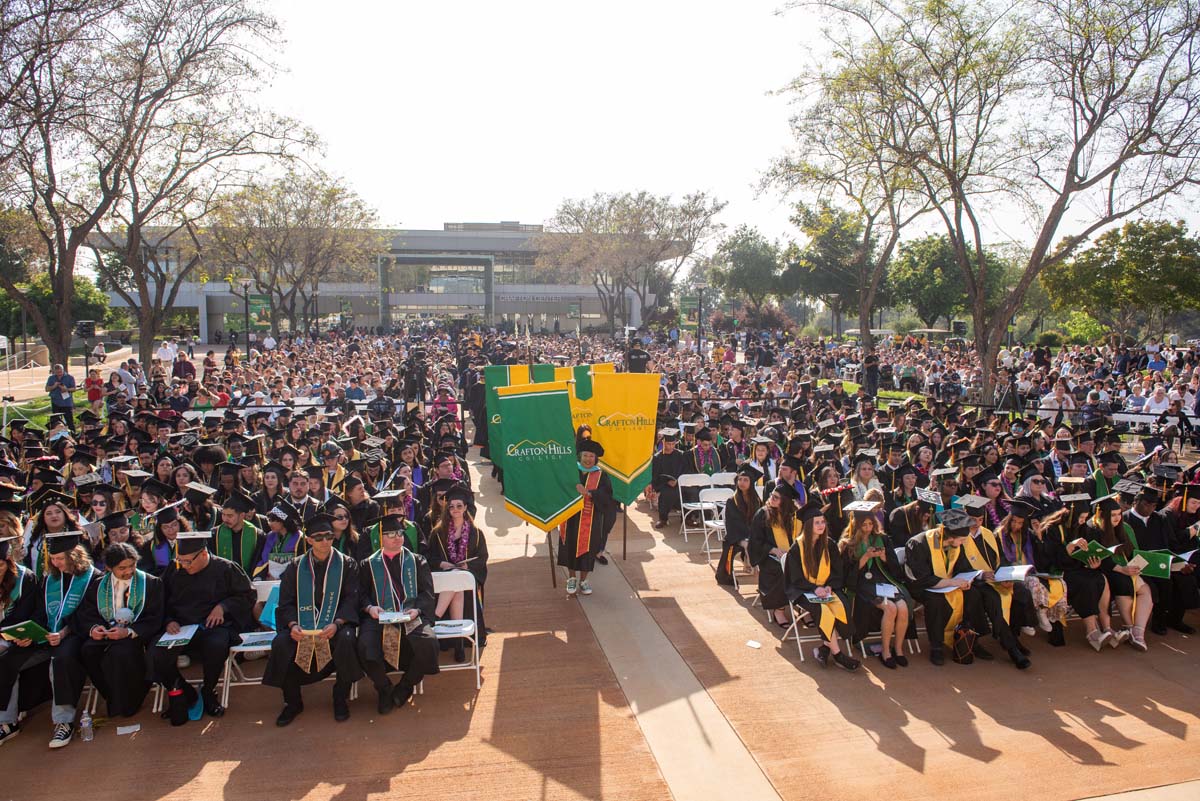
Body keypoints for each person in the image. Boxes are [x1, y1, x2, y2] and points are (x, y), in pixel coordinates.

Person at [264, 513, 362, 727]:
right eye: (318, 537)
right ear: (308, 540)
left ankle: (340, 697)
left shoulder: (347, 564)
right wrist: (292, 625)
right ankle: (292, 702)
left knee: (346, 640)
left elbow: (352, 599)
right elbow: (286, 603)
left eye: (328, 536)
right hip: (302, 627)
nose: (325, 541)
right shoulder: (295, 567)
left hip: (335, 625)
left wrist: (337, 623)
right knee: (281, 643)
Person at [150, 530, 255, 721]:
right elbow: (160, 600)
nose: (183, 565)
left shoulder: (226, 568)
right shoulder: (174, 570)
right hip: (181, 626)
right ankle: (183, 692)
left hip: (213, 626)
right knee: (156, 653)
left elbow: (247, 595)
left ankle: (209, 691)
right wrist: (168, 620)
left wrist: (223, 607)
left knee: (216, 645)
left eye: (188, 561)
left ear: (204, 554)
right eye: (180, 560)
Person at [357, 514, 439, 714]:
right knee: (365, 646)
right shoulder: (368, 564)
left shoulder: (417, 561)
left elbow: (427, 593)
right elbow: (360, 595)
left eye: (400, 533)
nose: (397, 537)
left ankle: (405, 686)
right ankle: (384, 688)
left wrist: (417, 609)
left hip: (410, 615)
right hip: (379, 617)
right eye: (391, 534)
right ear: (381, 538)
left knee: (429, 642)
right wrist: (370, 608)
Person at [75, 541, 164, 718]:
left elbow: (155, 617)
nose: (129, 571)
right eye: (122, 568)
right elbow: (87, 613)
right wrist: (94, 628)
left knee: (121, 652)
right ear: (109, 568)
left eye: (132, 565)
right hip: (107, 634)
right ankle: (112, 697)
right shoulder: (98, 585)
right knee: (88, 650)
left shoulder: (151, 583)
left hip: (136, 636)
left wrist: (129, 631)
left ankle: (129, 703)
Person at [34, 530, 100, 748]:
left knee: (61, 659)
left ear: (74, 555)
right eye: (53, 558)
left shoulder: (92, 577)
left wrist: (63, 632)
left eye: (60, 558)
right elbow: (41, 612)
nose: (56, 563)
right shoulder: (50, 580)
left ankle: (64, 722)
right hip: (50, 634)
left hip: (78, 633)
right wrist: (35, 632)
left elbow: (89, 615)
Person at [784, 503, 860, 671]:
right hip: (803, 590)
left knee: (842, 604)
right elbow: (795, 577)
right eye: (817, 522)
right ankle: (839, 655)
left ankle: (824, 649)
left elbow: (837, 571)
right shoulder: (797, 547)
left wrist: (830, 586)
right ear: (809, 525)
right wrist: (813, 588)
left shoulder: (829, 544)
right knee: (822, 610)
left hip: (826, 589)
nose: (821, 526)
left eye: (822, 522)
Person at [838, 501, 913, 668]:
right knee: (890, 608)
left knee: (902, 607)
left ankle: (898, 649)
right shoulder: (847, 544)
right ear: (856, 525)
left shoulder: (882, 539)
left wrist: (885, 558)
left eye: (870, 524)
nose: (868, 528)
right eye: (864, 524)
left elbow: (895, 570)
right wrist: (864, 558)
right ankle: (886, 651)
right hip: (863, 584)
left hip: (883, 581)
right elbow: (845, 576)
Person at [426, 487, 489, 654]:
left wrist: (468, 566)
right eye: (451, 506)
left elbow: (482, 558)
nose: (455, 510)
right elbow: (430, 557)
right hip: (445, 577)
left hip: (467, 576)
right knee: (456, 583)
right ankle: (459, 641)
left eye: (459, 506)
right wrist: (442, 564)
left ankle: (436, 617)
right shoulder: (438, 533)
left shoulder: (476, 533)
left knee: (459, 581)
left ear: (466, 508)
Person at [556, 440, 617, 596]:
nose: (588, 459)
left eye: (591, 456)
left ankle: (583, 581)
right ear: (579, 456)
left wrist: (590, 493)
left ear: (595, 458)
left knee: (588, 550)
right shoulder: (570, 471)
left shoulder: (601, 475)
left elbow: (608, 497)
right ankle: (571, 578)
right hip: (570, 517)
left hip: (590, 520)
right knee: (569, 546)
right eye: (585, 455)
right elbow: (560, 487)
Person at [0, 524, 41, 746]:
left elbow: (28, 616)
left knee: (4, 662)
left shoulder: (25, 579)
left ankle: (6, 722)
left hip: (23, 638)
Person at [748, 483, 802, 627]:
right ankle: (779, 609)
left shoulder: (794, 516)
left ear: (785, 501)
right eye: (772, 495)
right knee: (782, 570)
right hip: (769, 557)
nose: (772, 498)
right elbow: (755, 541)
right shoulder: (763, 514)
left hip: (792, 555)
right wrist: (774, 550)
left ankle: (803, 608)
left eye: (776, 497)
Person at [715, 464, 762, 586]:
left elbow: (759, 520)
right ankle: (752, 566)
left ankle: (762, 577)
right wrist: (746, 537)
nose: (742, 482)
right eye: (740, 479)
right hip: (736, 537)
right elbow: (733, 524)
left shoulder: (756, 500)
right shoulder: (732, 501)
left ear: (751, 483)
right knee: (748, 544)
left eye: (745, 480)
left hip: (752, 534)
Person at [649, 429, 688, 529]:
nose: (670, 446)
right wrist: (667, 481)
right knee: (667, 493)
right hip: (664, 484)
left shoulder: (680, 455)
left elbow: (684, 470)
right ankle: (663, 518)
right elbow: (656, 475)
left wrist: (677, 480)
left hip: (679, 483)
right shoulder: (658, 457)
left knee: (689, 492)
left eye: (672, 444)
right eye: (668, 444)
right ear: (663, 443)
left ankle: (687, 518)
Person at [45, 364, 77, 431]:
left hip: (66, 402)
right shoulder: (51, 378)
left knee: (69, 421)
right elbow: (47, 389)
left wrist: (66, 389)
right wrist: (54, 386)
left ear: (63, 370)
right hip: (55, 402)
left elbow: (74, 389)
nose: (59, 374)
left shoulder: (70, 377)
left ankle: (73, 435)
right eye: (57, 372)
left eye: (60, 372)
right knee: (56, 421)